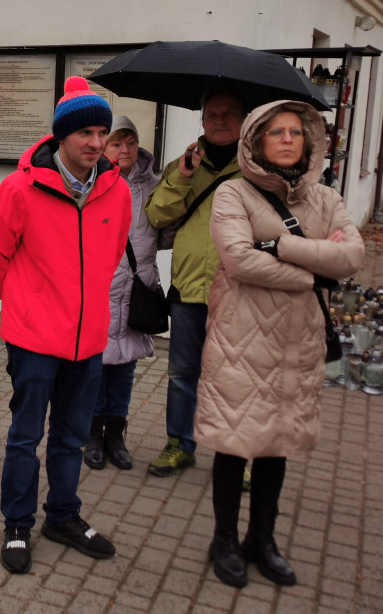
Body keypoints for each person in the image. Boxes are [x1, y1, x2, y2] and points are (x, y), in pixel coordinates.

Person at [195, 100, 363, 588]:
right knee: (234, 442)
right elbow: (240, 261)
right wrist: (315, 270)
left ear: (309, 142)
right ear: (257, 141)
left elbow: (350, 257)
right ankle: (223, 538)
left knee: (276, 445)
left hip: (299, 340)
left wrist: (283, 247)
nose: (288, 139)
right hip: (242, 339)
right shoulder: (233, 194)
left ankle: (261, 539)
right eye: (277, 132)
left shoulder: (325, 199)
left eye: (296, 132)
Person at [0, 77, 131, 573]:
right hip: (34, 341)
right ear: (61, 136)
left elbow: (109, 260)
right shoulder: (20, 187)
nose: (95, 143)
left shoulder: (117, 192)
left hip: (88, 341)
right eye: (84, 132)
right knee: (26, 436)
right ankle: (17, 524)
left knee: (71, 436)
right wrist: (28, 302)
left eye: (101, 133)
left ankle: (63, 516)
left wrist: (82, 311)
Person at [144, 90, 245, 477]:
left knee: (238, 377)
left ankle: (241, 454)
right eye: (212, 115)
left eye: (229, 114)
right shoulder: (183, 165)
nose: (220, 121)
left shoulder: (257, 168)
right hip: (188, 289)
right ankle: (179, 444)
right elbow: (156, 215)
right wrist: (182, 179)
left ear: (243, 119)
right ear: (202, 122)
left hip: (239, 291)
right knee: (182, 374)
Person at [84, 116, 161, 471]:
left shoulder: (154, 186)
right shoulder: (91, 184)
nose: (125, 149)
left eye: (130, 142)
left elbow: (168, 230)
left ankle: (116, 432)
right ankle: (93, 431)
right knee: (97, 363)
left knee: (125, 364)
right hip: (102, 285)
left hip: (136, 286)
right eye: (117, 143)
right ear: (104, 148)